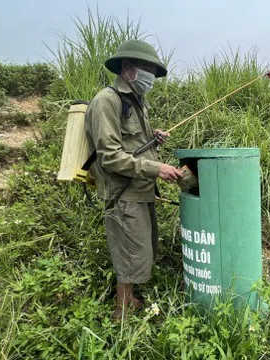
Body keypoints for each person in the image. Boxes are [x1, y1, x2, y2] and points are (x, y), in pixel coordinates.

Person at [84, 39, 183, 319]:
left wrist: (154, 139)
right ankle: (122, 314)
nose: (151, 78)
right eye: (147, 70)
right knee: (130, 252)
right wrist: (156, 169)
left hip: (139, 189)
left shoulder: (136, 100)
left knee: (137, 250)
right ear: (128, 68)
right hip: (123, 193)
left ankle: (128, 299)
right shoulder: (107, 100)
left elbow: (132, 144)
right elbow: (110, 157)